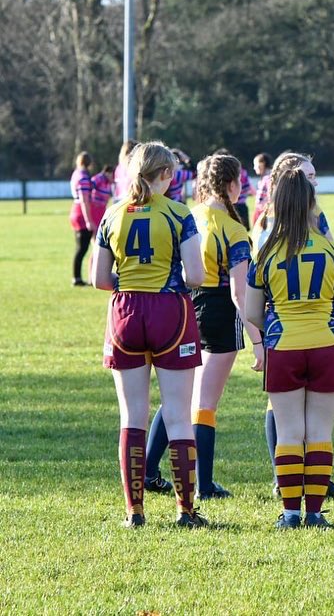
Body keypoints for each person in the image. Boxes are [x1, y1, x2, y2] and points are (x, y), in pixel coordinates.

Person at [90, 141, 208, 528]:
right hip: (170, 311)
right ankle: (186, 511)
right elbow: (195, 276)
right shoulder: (178, 214)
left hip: (125, 313)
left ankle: (134, 512)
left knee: (132, 416)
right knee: (177, 415)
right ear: (166, 176)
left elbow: (98, 279)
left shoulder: (112, 215)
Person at [139, 155, 264, 500]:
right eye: (240, 180)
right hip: (220, 314)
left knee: (179, 396)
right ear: (231, 185)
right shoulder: (234, 230)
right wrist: (257, 340)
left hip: (185, 307)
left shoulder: (189, 217)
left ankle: (149, 470)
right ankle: (204, 485)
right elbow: (240, 293)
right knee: (204, 403)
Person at [246, 168, 334, 529]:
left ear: (277, 203)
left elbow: (251, 312)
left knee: (290, 432)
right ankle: (315, 513)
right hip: (326, 344)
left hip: (284, 345)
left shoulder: (265, 254)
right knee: (320, 432)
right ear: (312, 203)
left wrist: (279, 326)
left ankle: (291, 513)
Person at [70, 151, 95, 287]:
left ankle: (77, 277)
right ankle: (77, 278)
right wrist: (89, 220)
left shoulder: (75, 174)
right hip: (81, 212)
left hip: (75, 209)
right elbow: (85, 200)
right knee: (82, 248)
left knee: (80, 248)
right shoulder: (84, 177)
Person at [89, 165, 116, 230]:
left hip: (102, 209)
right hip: (95, 208)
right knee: (96, 231)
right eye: (113, 176)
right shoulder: (99, 178)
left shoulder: (109, 183)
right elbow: (88, 189)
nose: (114, 179)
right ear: (108, 173)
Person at [251, 152, 273, 227]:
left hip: (264, 213)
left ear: (262, 163)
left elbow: (270, 197)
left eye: (255, 165)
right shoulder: (264, 178)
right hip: (261, 212)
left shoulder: (268, 178)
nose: (254, 168)